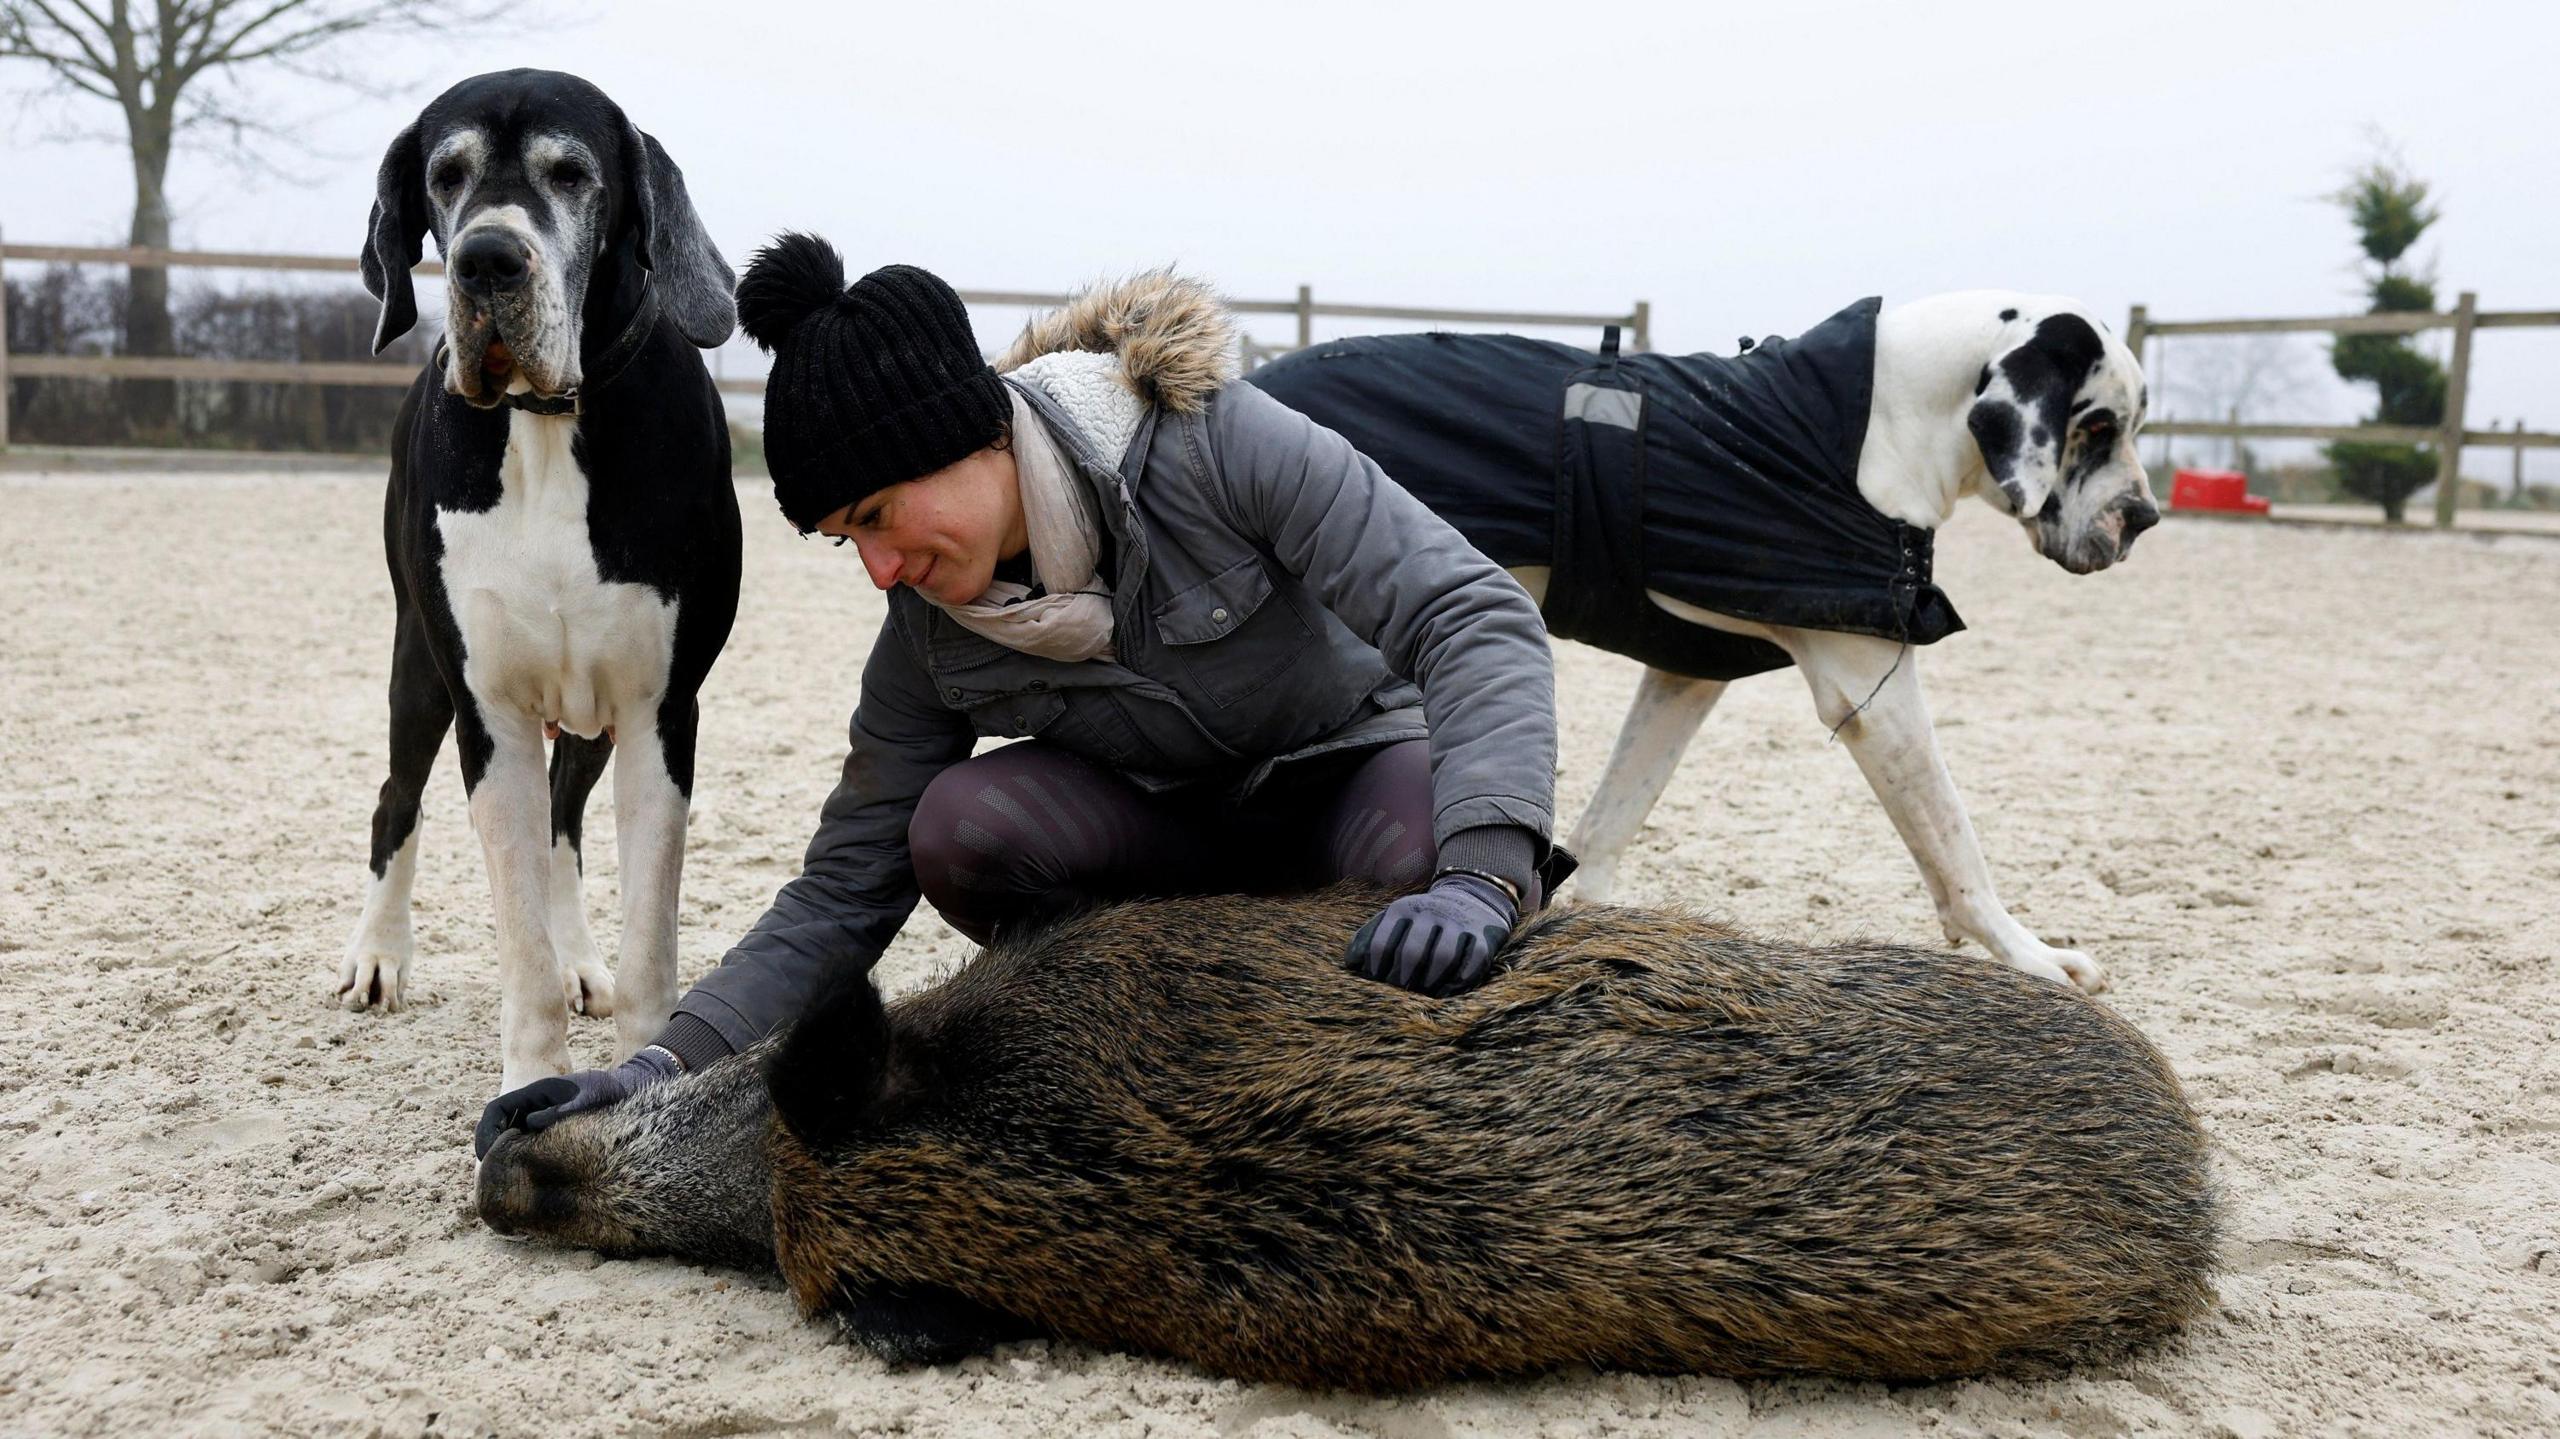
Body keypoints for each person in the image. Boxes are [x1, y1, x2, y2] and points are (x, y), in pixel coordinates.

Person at [476, 236, 1563, 1155]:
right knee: (954, 825)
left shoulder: (1216, 443)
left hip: (1346, 786)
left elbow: (1473, 613)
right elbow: (844, 885)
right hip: (1172, 847)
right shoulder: (926, 635)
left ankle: (1410, 947)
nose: (880, 569)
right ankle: (1165, 1019)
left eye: (880, 514)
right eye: (845, 539)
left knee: (1419, 842)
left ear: (979, 438)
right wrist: (659, 1065)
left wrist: (1479, 874)